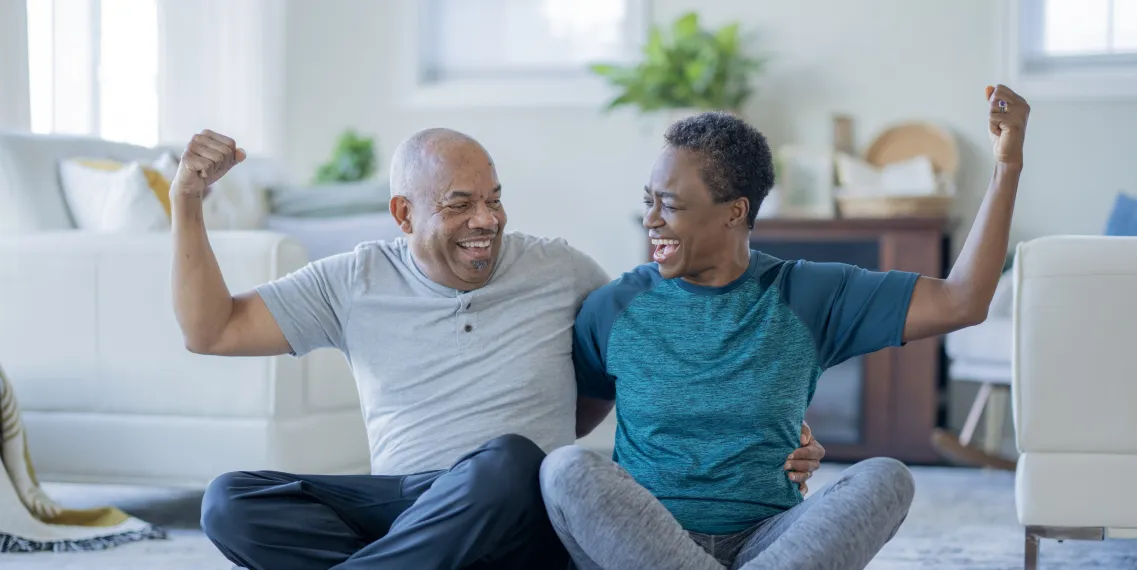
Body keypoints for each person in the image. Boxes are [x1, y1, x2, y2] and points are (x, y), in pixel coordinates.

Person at [170, 126, 827, 569]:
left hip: (522, 508)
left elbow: (671, 352)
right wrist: (188, 202)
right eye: (460, 205)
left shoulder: (560, 269)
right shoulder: (354, 278)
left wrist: (770, 432)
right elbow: (213, 330)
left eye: (493, 199)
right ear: (404, 215)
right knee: (230, 501)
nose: (486, 220)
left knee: (513, 463)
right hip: (407, 504)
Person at [540, 85, 1030, 570]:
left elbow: (961, 300)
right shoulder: (613, 308)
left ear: (735, 211)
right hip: (646, 544)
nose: (651, 219)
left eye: (671, 205)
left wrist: (1006, 167)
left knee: (887, 477)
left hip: (768, 541)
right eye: (649, 200)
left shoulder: (806, 294)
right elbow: (576, 423)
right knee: (565, 469)